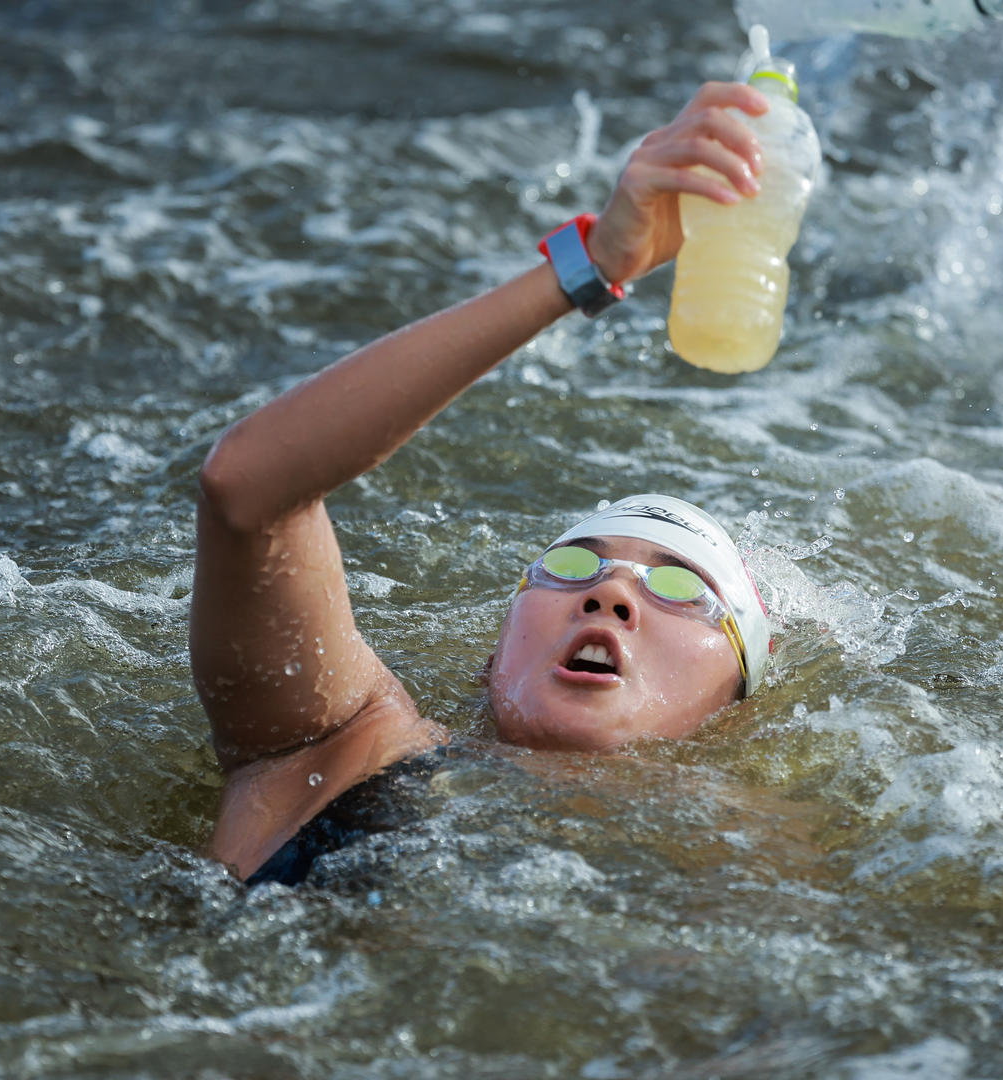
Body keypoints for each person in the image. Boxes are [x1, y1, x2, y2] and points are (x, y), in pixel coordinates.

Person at [191, 82, 779, 884]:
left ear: (735, 707)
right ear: (490, 660)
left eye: (679, 586)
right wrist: (590, 268)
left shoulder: (757, 861)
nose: (609, 594)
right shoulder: (342, 749)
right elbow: (247, 490)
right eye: (571, 566)